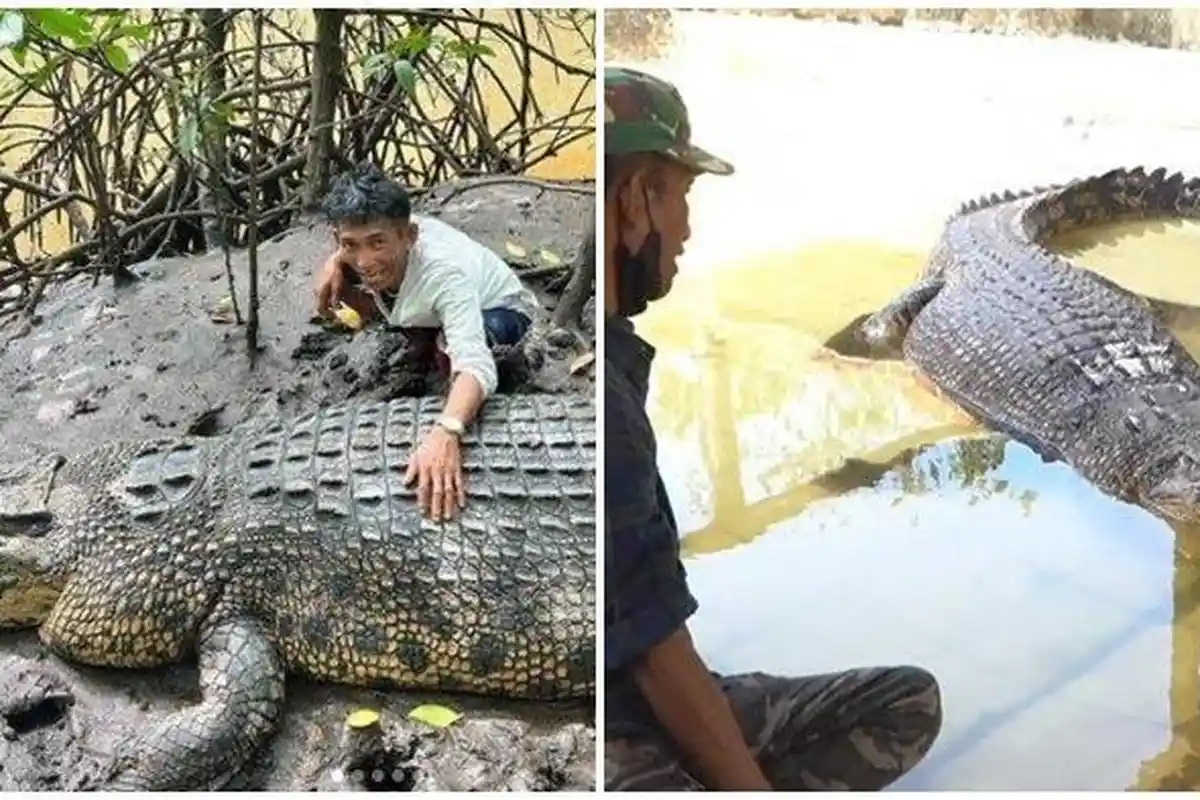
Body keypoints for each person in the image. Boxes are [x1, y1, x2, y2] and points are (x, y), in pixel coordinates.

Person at [603, 65, 945, 792]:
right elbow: (654, 651)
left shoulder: (582, 343)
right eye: (683, 197)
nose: (687, 229)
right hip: (613, 717)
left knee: (907, 698)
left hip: (627, 683)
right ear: (639, 198)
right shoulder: (606, 398)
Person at [313, 162, 539, 522]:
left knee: (455, 350)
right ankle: (425, 342)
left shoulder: (445, 272)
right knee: (358, 290)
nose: (365, 261)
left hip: (500, 312)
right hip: (426, 305)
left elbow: (475, 364)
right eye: (350, 245)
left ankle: (444, 357)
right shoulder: (373, 245)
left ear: (409, 235)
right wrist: (335, 262)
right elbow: (359, 247)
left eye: (377, 243)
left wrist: (448, 430)